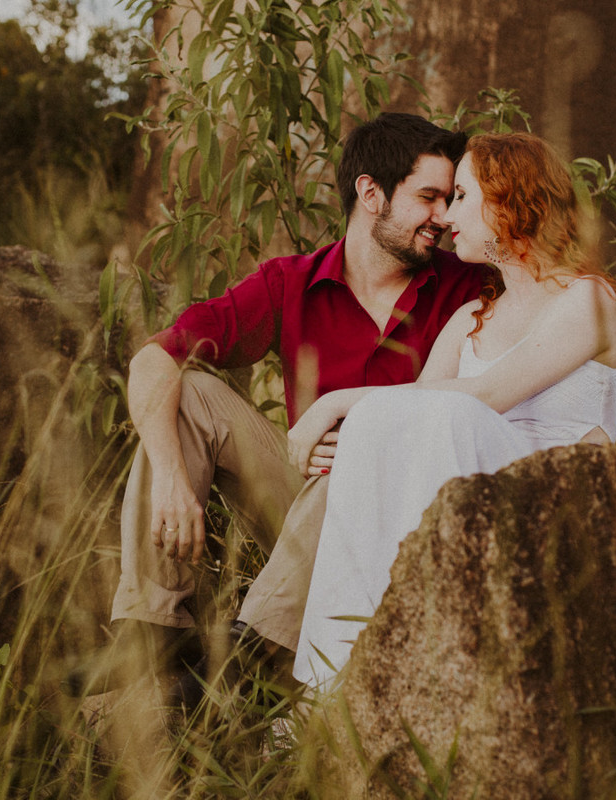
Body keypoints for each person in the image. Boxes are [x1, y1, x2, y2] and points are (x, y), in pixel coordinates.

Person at [61, 113, 488, 698]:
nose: (443, 216)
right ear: (371, 194)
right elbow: (153, 361)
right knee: (192, 395)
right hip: (303, 509)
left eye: (450, 198)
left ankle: (247, 653)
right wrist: (169, 476)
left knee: (359, 453)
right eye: (429, 197)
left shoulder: (466, 286)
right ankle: (151, 629)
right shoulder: (292, 282)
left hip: (404, 518)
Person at [289, 132, 616, 690]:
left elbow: (485, 398)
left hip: (557, 505)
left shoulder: (589, 300)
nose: (448, 216)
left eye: (462, 197)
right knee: (380, 426)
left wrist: (333, 401)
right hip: (470, 502)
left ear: (507, 200)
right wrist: (356, 429)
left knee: (448, 415)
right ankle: (329, 684)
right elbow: (408, 414)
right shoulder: (472, 317)